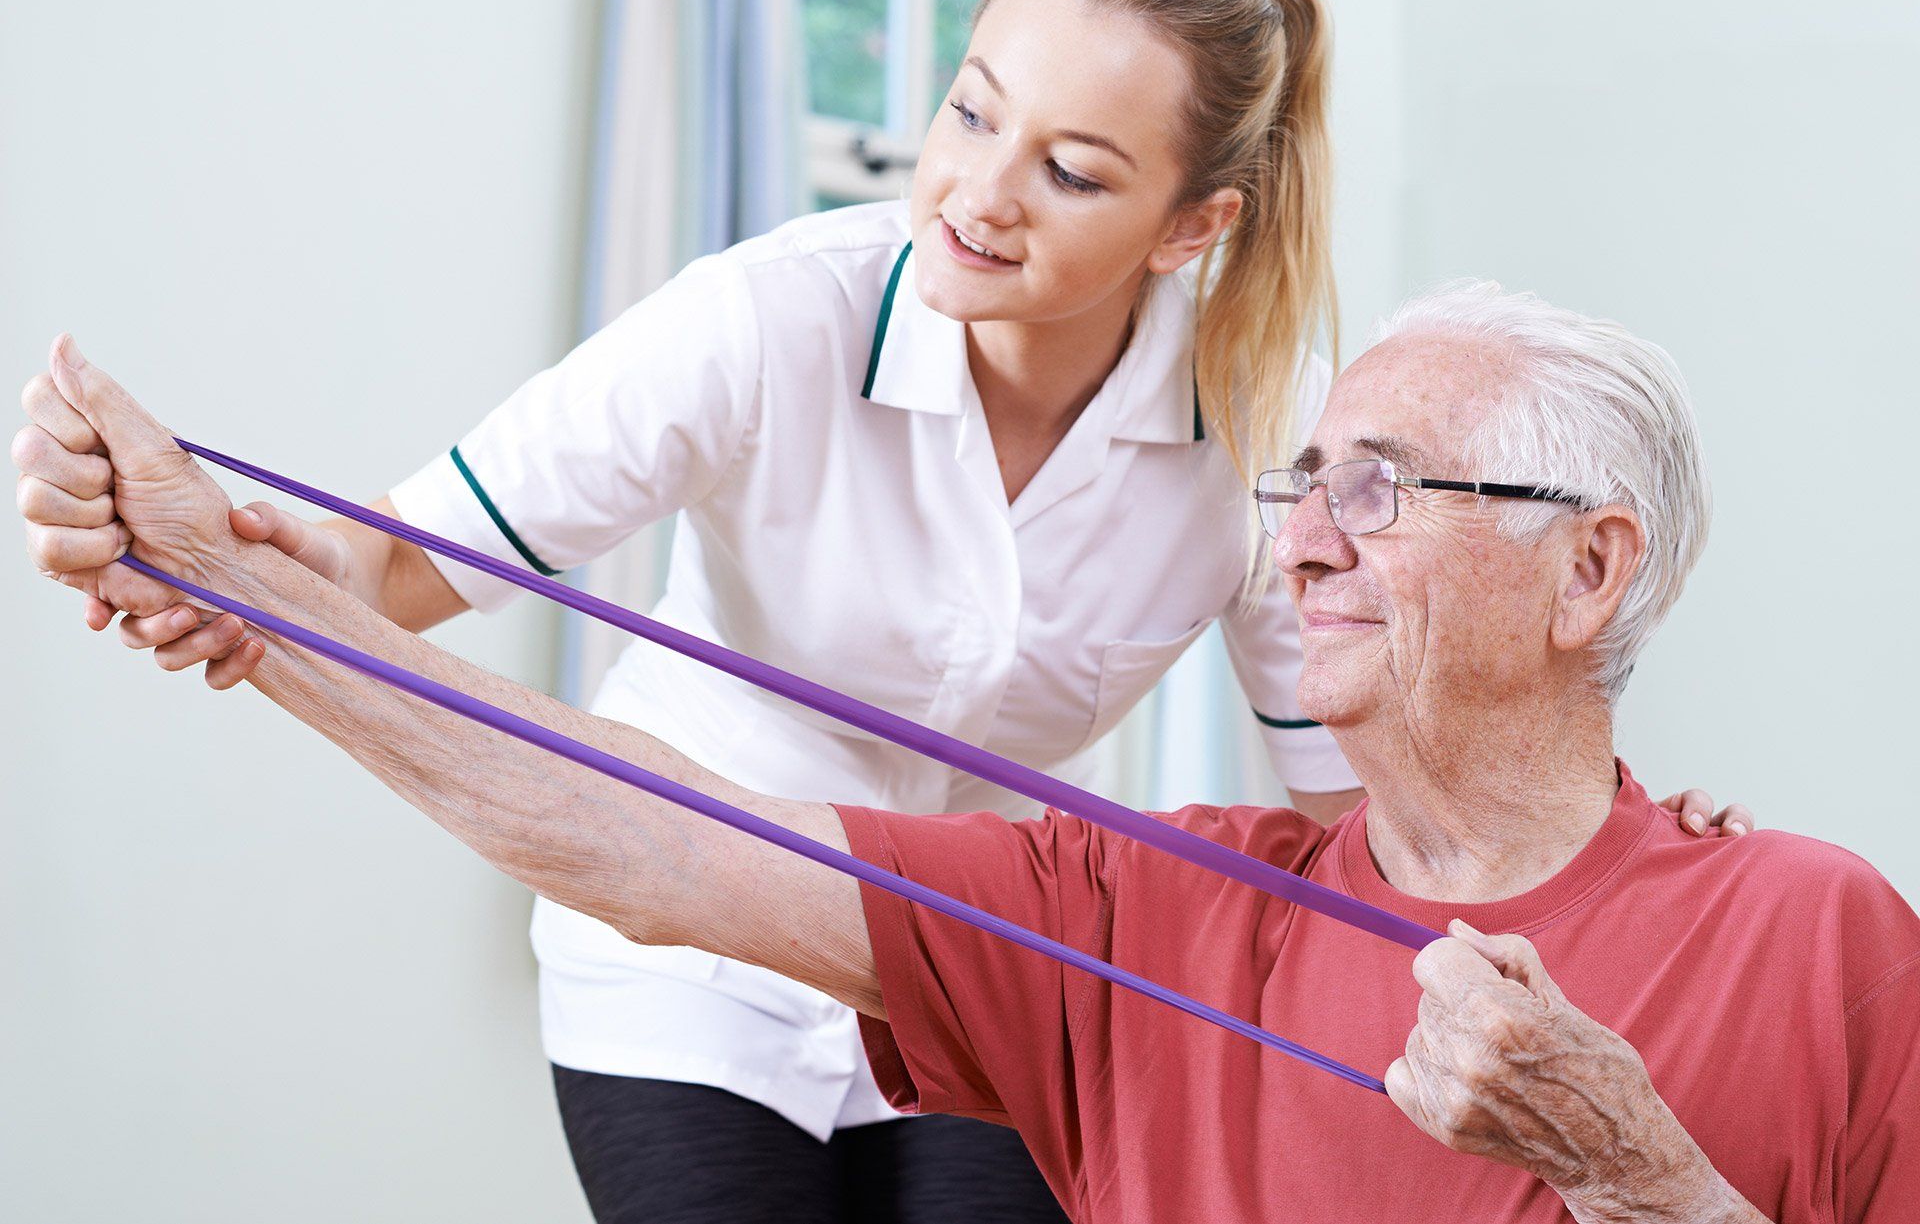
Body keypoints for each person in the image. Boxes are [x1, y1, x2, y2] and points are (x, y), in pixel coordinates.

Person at [16, 280, 1870, 1223]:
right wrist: (256, 608)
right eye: (1304, 481)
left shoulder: (1822, 932)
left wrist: (1651, 1182)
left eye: (1376, 490)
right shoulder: (1149, 910)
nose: (1299, 534)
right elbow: (648, 838)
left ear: (1589, 570)